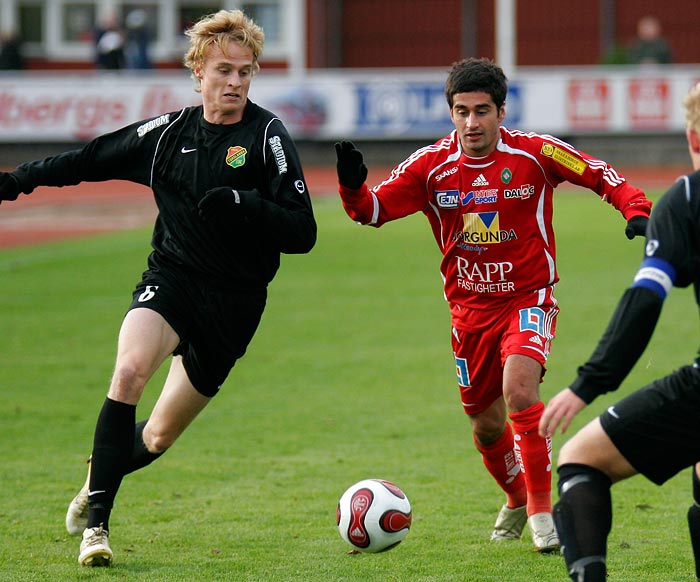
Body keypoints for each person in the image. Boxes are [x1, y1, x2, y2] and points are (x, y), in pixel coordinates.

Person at [0, 9, 316, 567]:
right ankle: (96, 527)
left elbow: (303, 231)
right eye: (224, 71)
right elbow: (88, 159)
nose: (236, 83)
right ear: (198, 72)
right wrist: (17, 182)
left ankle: (97, 477)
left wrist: (247, 204)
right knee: (128, 372)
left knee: (160, 436)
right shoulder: (168, 133)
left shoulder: (267, 135)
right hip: (171, 281)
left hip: (235, 305)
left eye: (245, 72)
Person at [335, 57, 651, 553]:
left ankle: (545, 517)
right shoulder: (430, 168)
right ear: (451, 113)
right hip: (469, 313)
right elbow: (372, 211)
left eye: (482, 111)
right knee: (486, 426)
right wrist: (353, 187)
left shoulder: (534, 153)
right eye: (461, 111)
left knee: (520, 390)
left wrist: (635, 207)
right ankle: (518, 495)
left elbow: (597, 173)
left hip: (529, 297)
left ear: (501, 111)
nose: (471, 123)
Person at [539, 82, 700, 581]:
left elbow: (646, 300)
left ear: (693, 136)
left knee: (580, 459)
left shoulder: (688, 198)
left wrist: (588, 382)